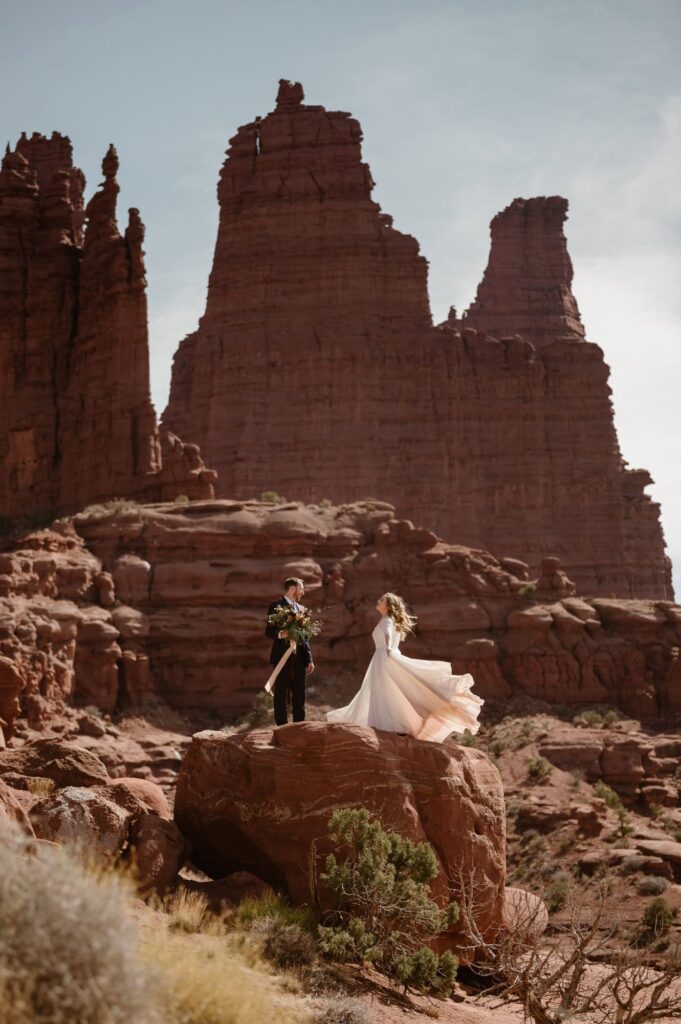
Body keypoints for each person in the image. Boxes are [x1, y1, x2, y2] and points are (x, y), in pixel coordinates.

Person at [327, 593, 483, 742]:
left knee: (384, 690)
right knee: (386, 690)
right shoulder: (387, 619)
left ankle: (391, 725)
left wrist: (388, 647)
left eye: (381, 600)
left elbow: (388, 633)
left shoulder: (387, 620)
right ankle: (393, 724)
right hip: (384, 657)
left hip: (384, 657)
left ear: (387, 605)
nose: (378, 601)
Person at [265, 577, 315, 726]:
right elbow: (269, 631)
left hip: (299, 657)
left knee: (299, 693)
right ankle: (282, 727)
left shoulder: (302, 609)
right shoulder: (276, 605)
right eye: (301, 587)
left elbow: (305, 637)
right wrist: (281, 634)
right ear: (292, 588)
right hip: (281, 656)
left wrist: (310, 659)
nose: (303, 591)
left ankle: (299, 726)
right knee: (280, 692)